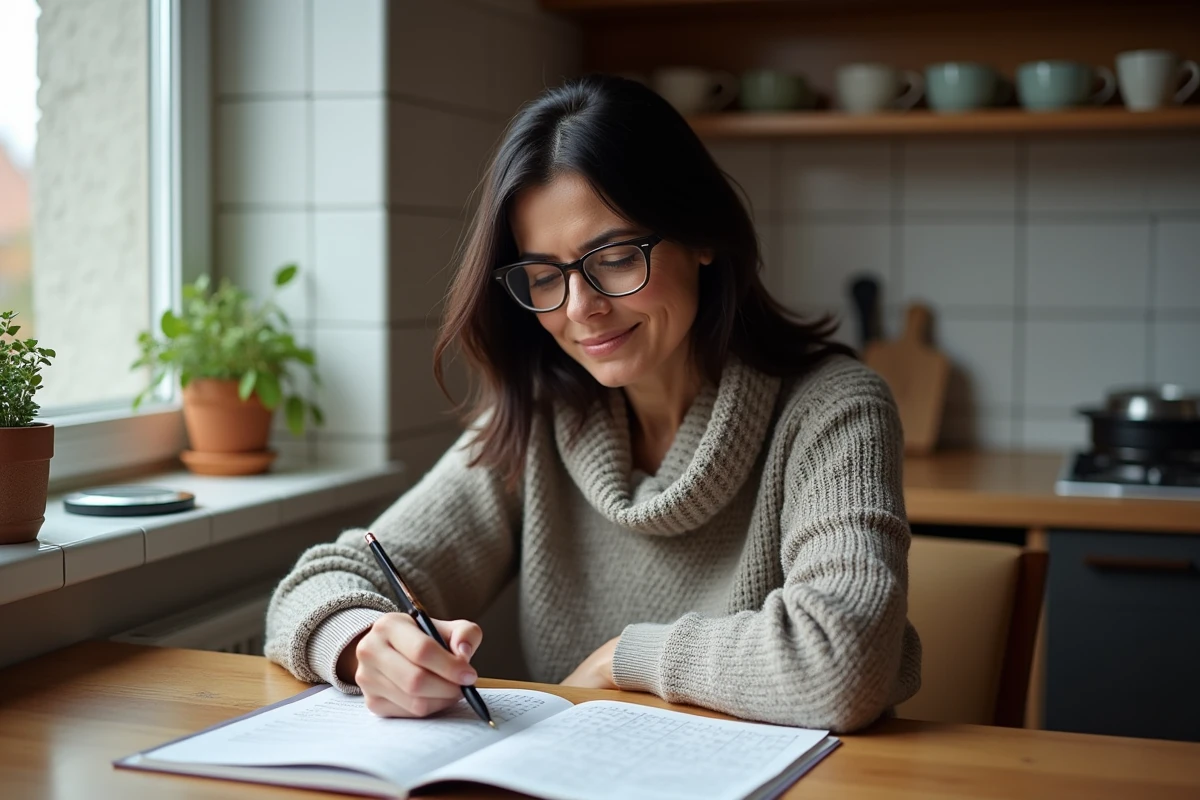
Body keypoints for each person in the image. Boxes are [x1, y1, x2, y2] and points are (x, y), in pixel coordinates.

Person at [265, 73, 920, 733]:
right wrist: (361, 644)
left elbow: (843, 660)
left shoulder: (835, 408)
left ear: (701, 236)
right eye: (545, 276)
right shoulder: (543, 420)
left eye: (612, 256)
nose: (582, 310)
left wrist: (619, 661)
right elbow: (315, 584)